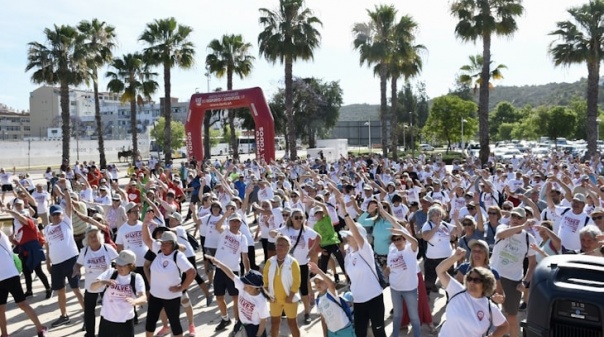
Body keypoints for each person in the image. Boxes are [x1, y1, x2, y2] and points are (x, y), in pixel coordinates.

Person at [436, 248, 508, 337]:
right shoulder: (457, 290)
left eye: (476, 280)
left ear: (486, 283)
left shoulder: (489, 306)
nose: (471, 282)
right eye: (469, 279)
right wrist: (454, 258)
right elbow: (439, 270)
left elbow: (504, 326)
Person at [141, 223, 196, 337]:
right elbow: (147, 239)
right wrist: (146, 223)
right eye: (162, 243)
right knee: (150, 322)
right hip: (155, 295)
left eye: (166, 243)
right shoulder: (159, 252)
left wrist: (182, 287)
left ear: (173, 244)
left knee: (174, 323)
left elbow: (192, 272)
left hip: (171, 296)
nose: (163, 245)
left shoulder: (177, 256)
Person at [490, 207, 537, 337]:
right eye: (513, 216)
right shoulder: (502, 228)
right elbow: (500, 235)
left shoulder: (529, 238)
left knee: (512, 317)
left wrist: (525, 281)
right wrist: (522, 226)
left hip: (513, 281)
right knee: (485, 311)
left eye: (519, 217)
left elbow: (532, 264)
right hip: (493, 277)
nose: (516, 220)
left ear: (525, 219)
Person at [44, 184, 85, 328]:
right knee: (60, 291)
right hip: (56, 264)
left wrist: (65, 187)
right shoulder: (47, 229)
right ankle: (64, 315)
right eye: (54, 214)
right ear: (50, 216)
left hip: (71, 261)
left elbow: (68, 203)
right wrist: (48, 262)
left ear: (62, 214)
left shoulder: (66, 222)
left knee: (76, 290)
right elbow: (48, 246)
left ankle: (87, 315)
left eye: (58, 214)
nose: (56, 216)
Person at [0, 218, 47, 337]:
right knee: (0, 309)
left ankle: (40, 328)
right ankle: (4, 334)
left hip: (10, 275)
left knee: (22, 304)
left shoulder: (1, 236)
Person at [274, 207, 321, 324]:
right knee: (286, 287)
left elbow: (318, 237)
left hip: (302, 264)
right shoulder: (287, 229)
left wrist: (312, 250)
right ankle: (285, 308)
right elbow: (274, 232)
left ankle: (306, 313)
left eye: (301, 217)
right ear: (291, 218)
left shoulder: (306, 230)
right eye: (296, 218)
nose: (299, 220)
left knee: (303, 289)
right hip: (288, 264)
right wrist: (277, 235)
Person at [206, 255, 270, 337]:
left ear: (254, 288)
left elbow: (264, 321)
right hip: (242, 323)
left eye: (246, 284)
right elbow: (230, 274)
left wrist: (258, 335)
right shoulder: (242, 286)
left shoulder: (261, 301)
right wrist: (218, 263)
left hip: (255, 329)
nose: (244, 285)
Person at [73, 226, 119, 337]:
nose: (93, 238)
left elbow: (118, 263)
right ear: (87, 239)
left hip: (106, 284)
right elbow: (78, 264)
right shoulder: (84, 251)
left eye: (95, 235)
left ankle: (108, 332)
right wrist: (76, 270)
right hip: (91, 285)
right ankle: (90, 333)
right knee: (89, 311)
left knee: (109, 309)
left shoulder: (107, 248)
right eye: (90, 236)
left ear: (100, 236)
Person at [91, 250, 146, 337]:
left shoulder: (136, 278)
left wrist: (135, 301)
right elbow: (92, 287)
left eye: (122, 265)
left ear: (130, 266)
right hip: (107, 319)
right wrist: (103, 282)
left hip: (126, 320)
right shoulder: (110, 273)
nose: (118, 267)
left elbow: (143, 298)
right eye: (117, 264)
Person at [384, 226, 421, 337]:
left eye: (399, 239)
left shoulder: (410, 249)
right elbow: (389, 268)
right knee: (397, 315)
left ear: (404, 239)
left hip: (410, 289)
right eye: (394, 239)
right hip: (395, 288)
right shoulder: (391, 250)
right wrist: (386, 271)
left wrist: (401, 231)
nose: (397, 242)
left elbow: (415, 241)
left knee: (414, 316)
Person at [263, 235, 301, 337]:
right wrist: (268, 295)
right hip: (274, 299)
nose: (280, 247)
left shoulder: (293, 262)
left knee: (292, 324)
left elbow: (297, 282)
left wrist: (291, 296)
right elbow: (265, 280)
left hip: (289, 298)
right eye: (278, 245)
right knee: (274, 323)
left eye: (283, 245)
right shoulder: (270, 261)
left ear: (288, 247)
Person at [309, 262, 356, 337]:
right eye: (316, 283)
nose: (317, 284)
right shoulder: (318, 301)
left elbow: (330, 284)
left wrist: (318, 271)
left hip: (345, 329)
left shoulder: (331, 294)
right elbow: (323, 319)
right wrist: (325, 334)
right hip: (332, 332)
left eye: (320, 282)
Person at [454, 239, 505, 305]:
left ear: (486, 254)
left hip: (485, 308)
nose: (476, 253)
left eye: (480, 251)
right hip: (466, 305)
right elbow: (455, 288)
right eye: (474, 251)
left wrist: (498, 299)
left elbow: (501, 295)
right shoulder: (464, 268)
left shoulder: (493, 272)